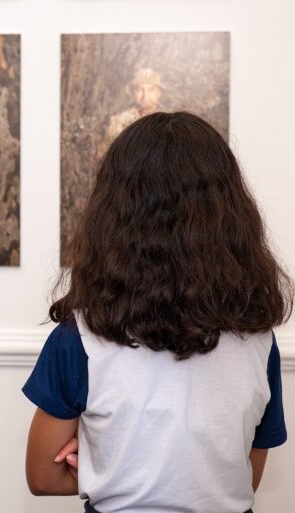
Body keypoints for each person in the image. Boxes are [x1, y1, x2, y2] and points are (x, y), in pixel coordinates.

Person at [24, 112, 290, 512]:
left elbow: (43, 477)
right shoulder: (257, 340)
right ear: (229, 212)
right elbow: (245, 475)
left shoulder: (79, 337)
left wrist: (106, 465)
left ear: (113, 213)